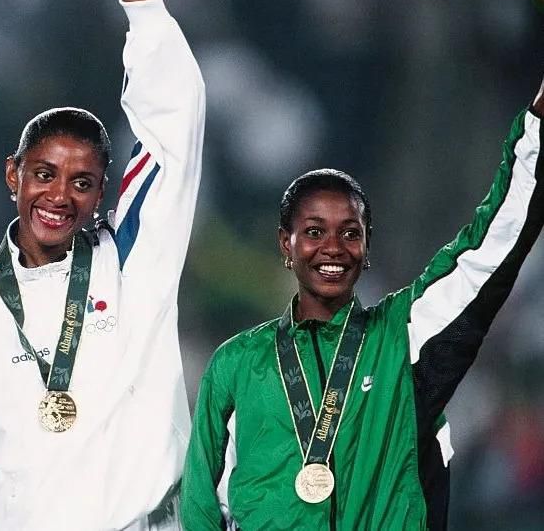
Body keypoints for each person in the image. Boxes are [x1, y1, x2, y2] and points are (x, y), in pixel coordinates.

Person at [0, 0, 205, 529]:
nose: (59, 196)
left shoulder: (133, 257)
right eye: (44, 174)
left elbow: (175, 111)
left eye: (82, 183)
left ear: (104, 194)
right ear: (12, 176)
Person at [180, 86, 544, 528]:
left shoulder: (403, 340)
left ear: (367, 248)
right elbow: (200, 508)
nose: (333, 248)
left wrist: (537, 127)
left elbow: (485, 251)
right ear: (285, 244)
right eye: (314, 232)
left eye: (350, 233)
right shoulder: (234, 365)